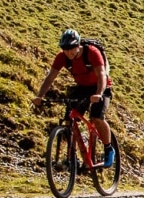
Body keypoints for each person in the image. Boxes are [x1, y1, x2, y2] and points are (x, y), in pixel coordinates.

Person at [31, 28, 115, 167]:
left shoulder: (92, 52)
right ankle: (72, 156)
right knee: (69, 119)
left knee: (96, 117)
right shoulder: (62, 57)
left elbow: (101, 75)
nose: (68, 51)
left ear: (78, 45)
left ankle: (108, 148)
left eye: (71, 48)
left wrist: (99, 93)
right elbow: (50, 77)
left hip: (101, 86)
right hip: (82, 88)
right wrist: (39, 96)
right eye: (65, 48)